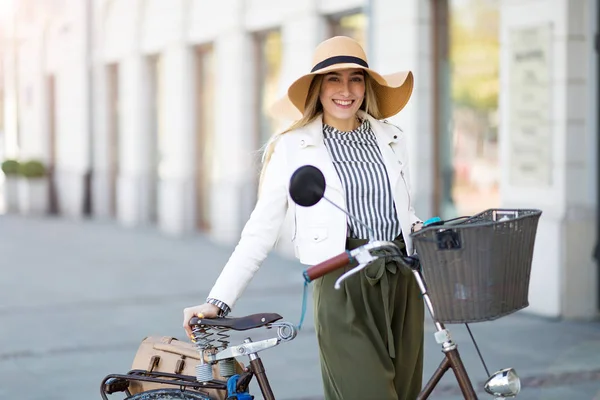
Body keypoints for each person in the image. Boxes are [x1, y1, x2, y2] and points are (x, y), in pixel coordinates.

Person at [183, 36, 425, 400]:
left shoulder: (391, 137)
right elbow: (259, 233)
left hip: (402, 277)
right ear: (317, 87)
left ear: (366, 85)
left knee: (405, 394)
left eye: (356, 78)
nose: (346, 90)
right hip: (341, 280)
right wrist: (218, 301)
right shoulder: (294, 147)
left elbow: (402, 212)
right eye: (334, 79)